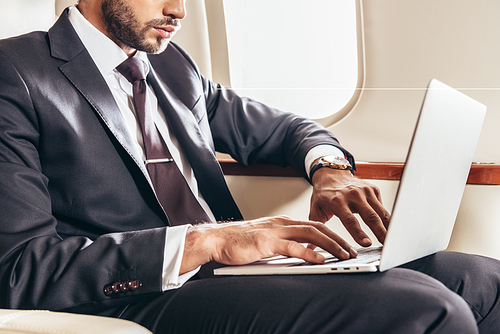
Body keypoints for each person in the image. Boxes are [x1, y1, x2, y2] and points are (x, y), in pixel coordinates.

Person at [0, 0, 498, 333]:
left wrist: (329, 169)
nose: (179, 9)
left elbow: (285, 129)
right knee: (430, 309)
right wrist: (209, 240)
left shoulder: (174, 67)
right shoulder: (17, 72)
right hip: (141, 287)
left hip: (234, 270)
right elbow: (20, 269)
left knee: (481, 279)